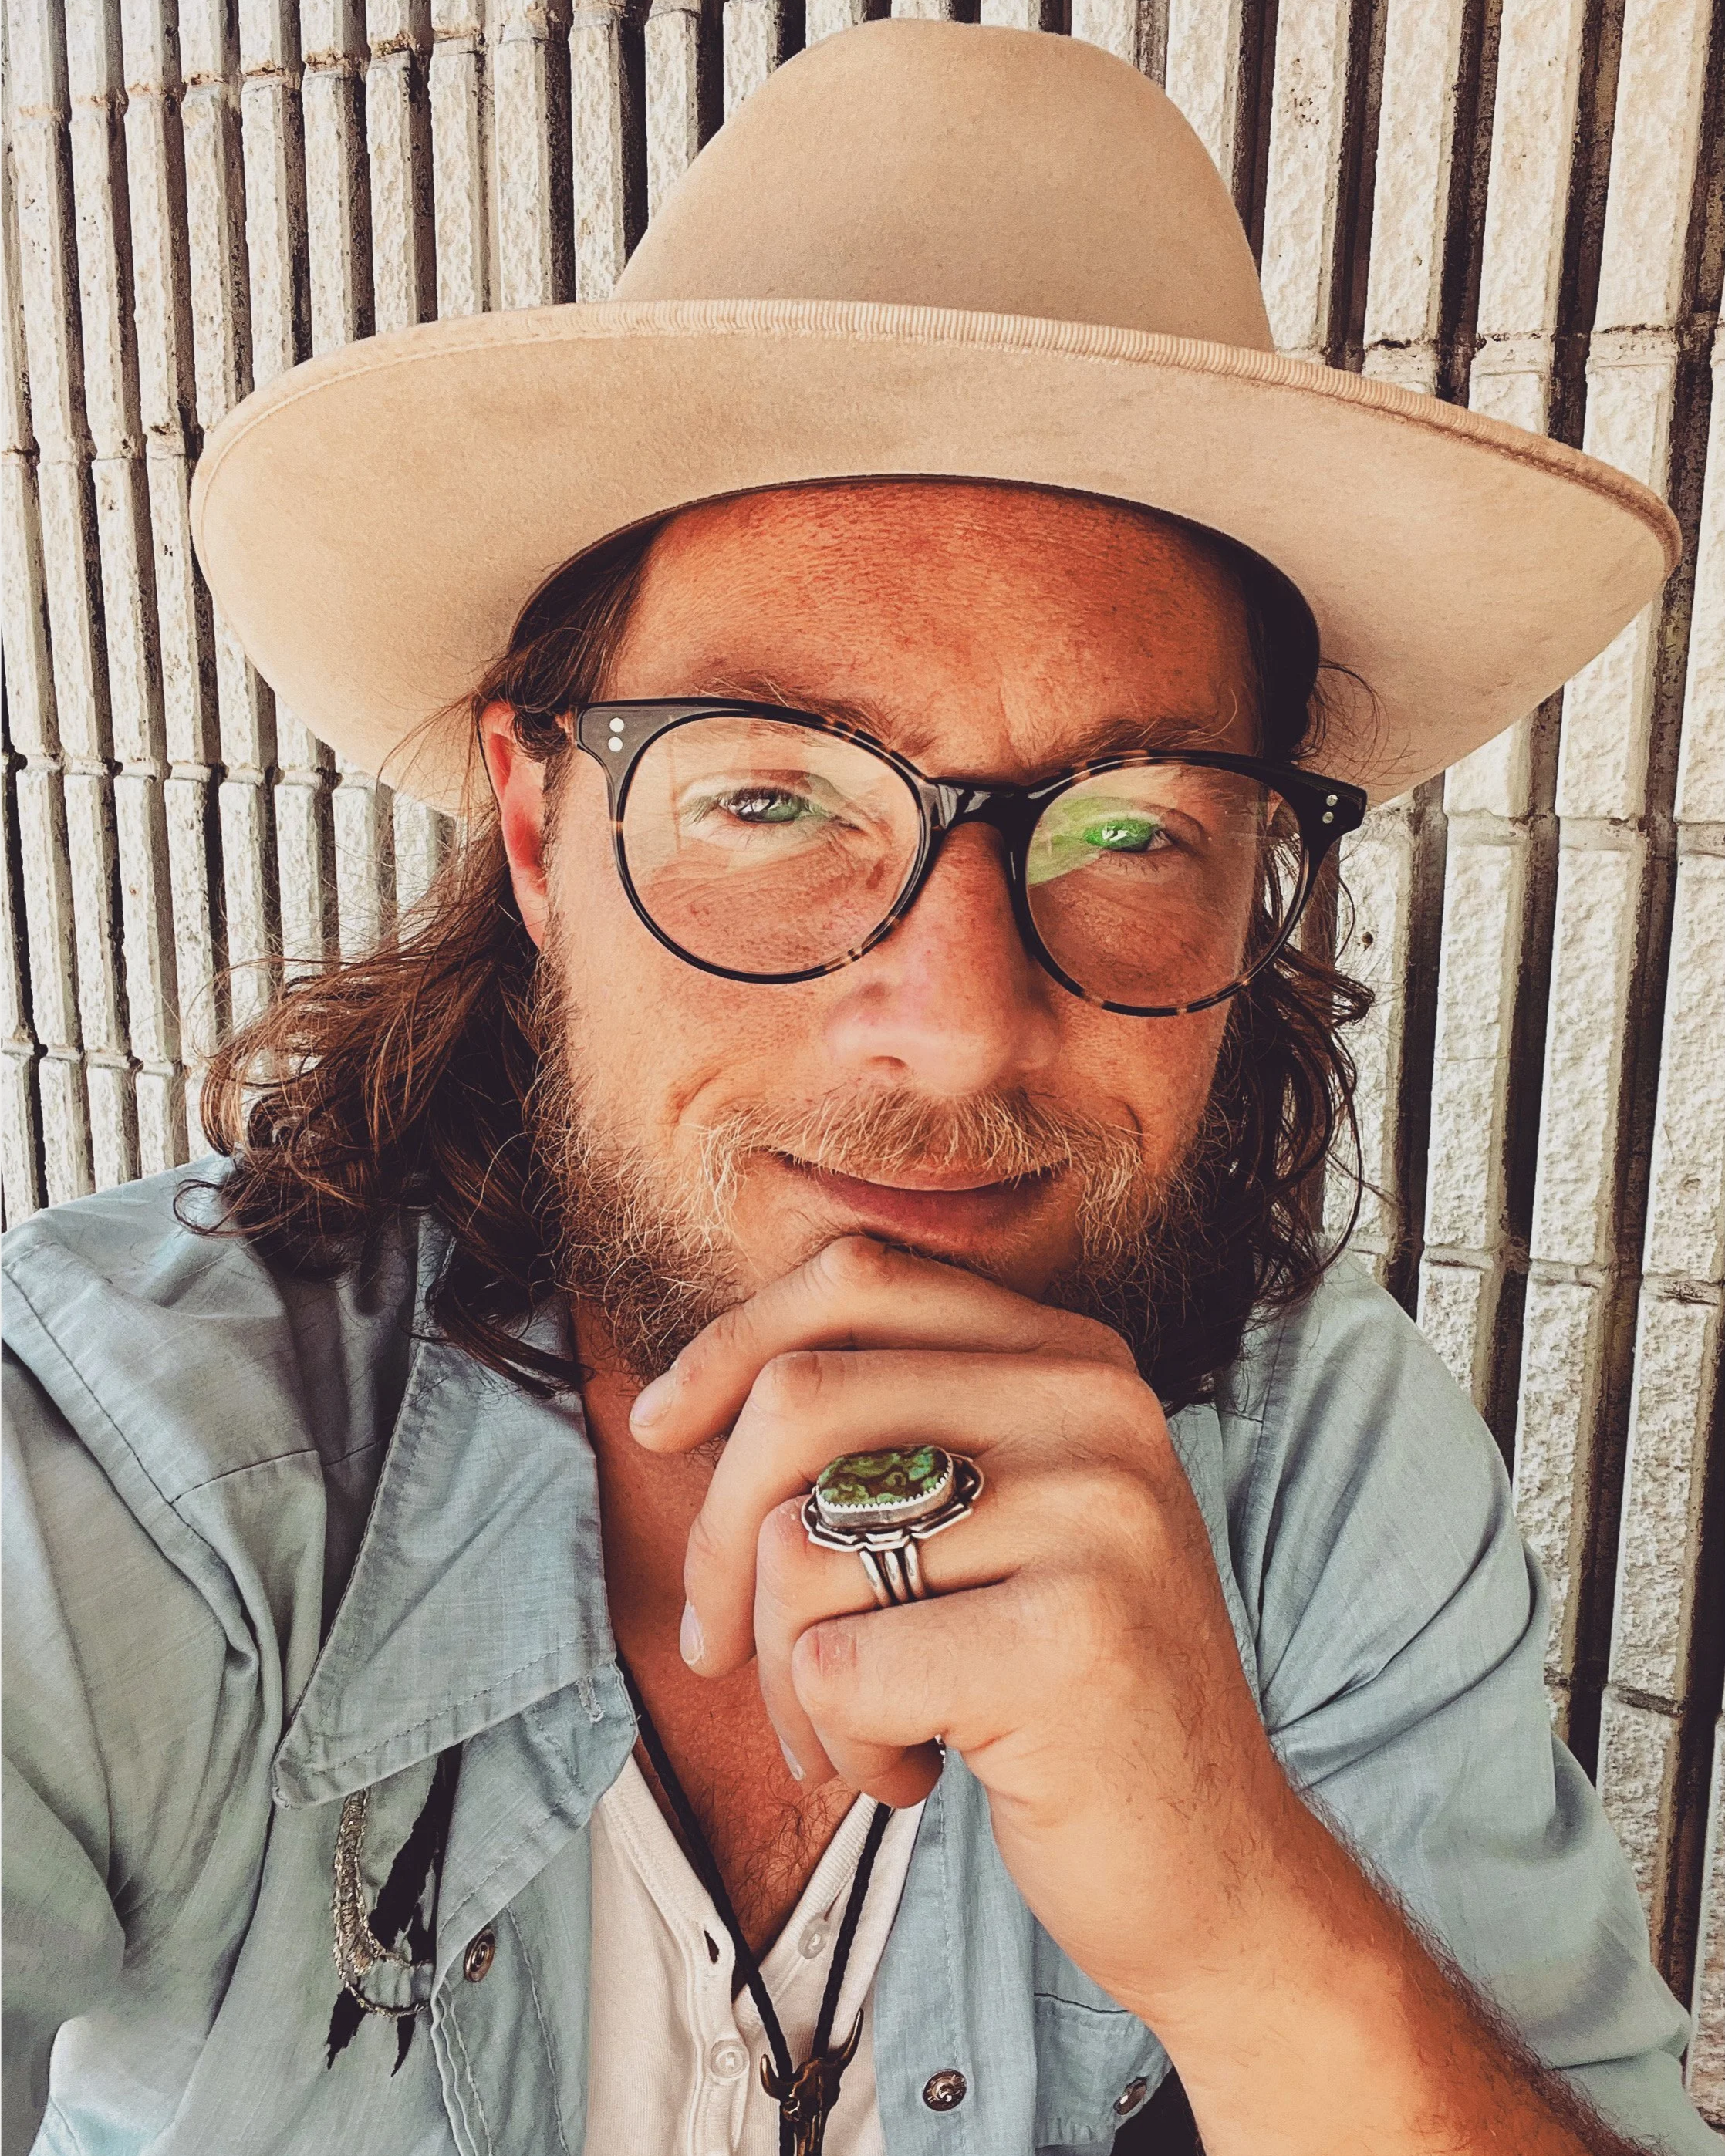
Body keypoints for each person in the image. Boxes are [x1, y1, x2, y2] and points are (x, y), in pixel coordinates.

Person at [2, 20, 1713, 2156]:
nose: (957, 1028)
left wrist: (1249, 1923)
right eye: (770, 795)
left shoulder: (1307, 1454)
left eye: (1129, 830)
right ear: (535, 828)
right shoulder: (130, 1471)